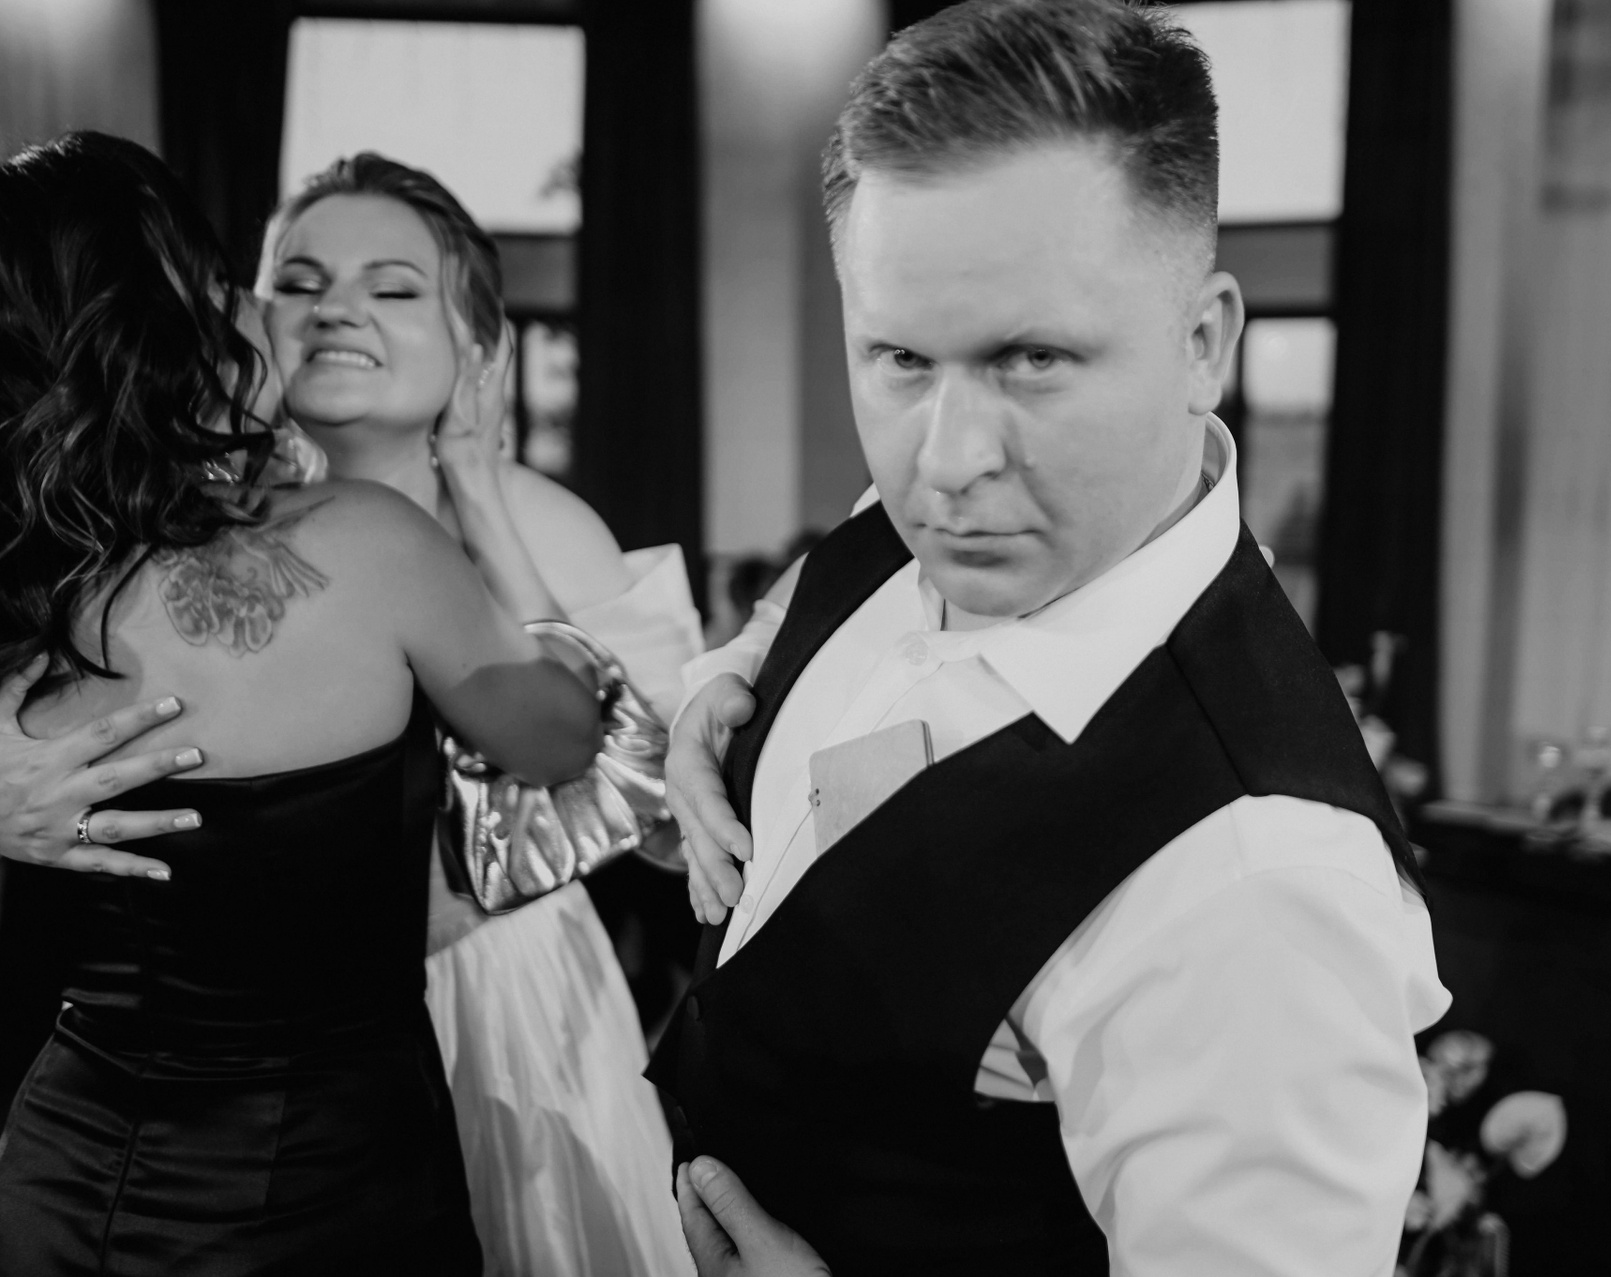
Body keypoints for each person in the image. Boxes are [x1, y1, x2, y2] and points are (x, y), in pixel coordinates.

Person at [654, 3, 1450, 1274]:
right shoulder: (954, 511)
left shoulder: (1258, 876)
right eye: (900, 356)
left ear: (1203, 344)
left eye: (1032, 358)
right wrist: (727, 683)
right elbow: (811, 606)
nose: (947, 460)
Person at [0, 131, 604, 1274]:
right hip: (338, 1178)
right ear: (178, 315)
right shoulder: (372, 546)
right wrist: (478, 498)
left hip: (65, 1174)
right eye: (231, 278)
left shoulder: (30, 577)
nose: (263, 304)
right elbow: (566, 737)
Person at [257, 154, 697, 1277]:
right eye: (299, 283)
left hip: (506, 1008)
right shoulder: (204, 534)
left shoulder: (549, 526)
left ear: (481, 347)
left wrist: (484, 502)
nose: (336, 308)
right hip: (265, 1027)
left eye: (393, 287)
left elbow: (666, 820)